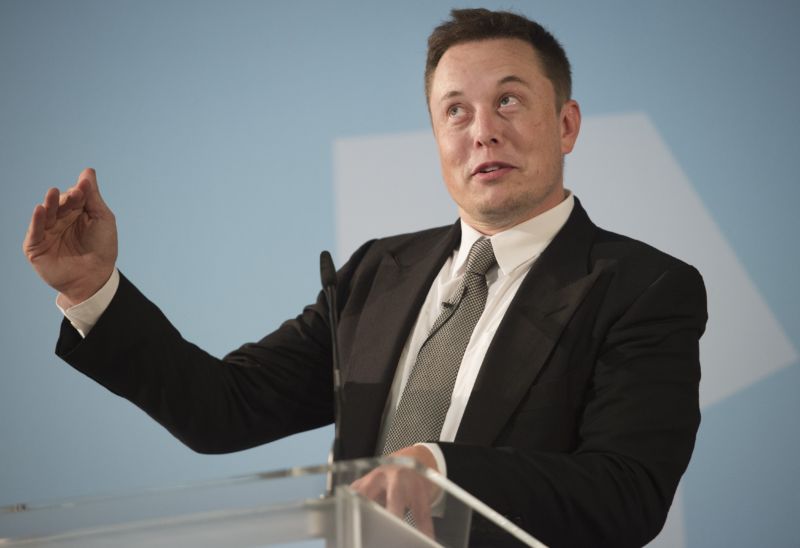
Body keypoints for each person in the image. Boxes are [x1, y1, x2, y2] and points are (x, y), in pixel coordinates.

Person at [22, 8, 706, 547]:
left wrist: (443, 475)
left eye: (509, 102)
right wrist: (91, 290)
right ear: (436, 135)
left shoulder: (643, 288)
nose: (482, 133)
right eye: (455, 111)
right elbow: (221, 409)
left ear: (566, 124)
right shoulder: (380, 272)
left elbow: (626, 494)